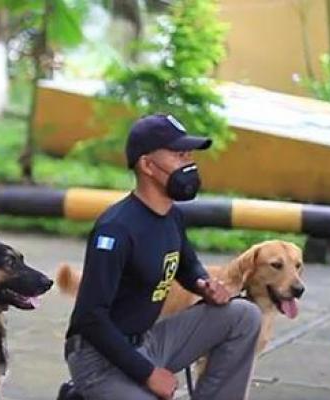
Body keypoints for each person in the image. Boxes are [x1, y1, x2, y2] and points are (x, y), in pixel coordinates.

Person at [64, 114, 262, 400]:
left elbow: (187, 264)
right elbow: (89, 317)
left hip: (149, 341)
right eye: (179, 155)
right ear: (147, 165)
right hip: (99, 361)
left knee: (243, 316)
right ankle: (80, 394)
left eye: (189, 155)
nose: (189, 163)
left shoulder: (171, 216)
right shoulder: (116, 229)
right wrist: (148, 373)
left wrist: (203, 284)